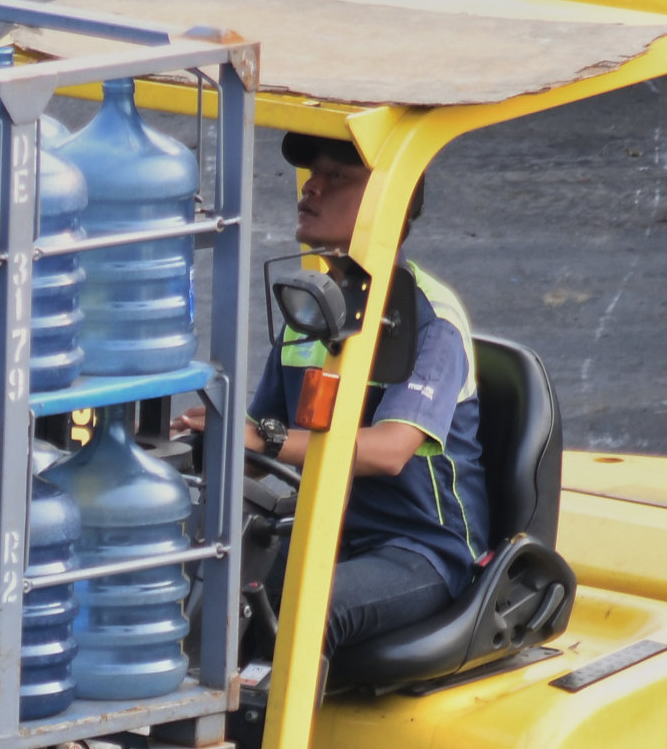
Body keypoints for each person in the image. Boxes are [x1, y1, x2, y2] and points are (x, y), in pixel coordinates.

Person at [182, 130, 490, 648]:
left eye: (335, 178)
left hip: (419, 551)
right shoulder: (310, 311)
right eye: (311, 176)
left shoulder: (430, 322)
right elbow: (258, 444)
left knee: (299, 618)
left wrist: (265, 440)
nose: (310, 189)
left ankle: (270, 729)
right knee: (201, 597)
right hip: (327, 533)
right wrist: (205, 439)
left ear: (385, 204)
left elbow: (389, 451)